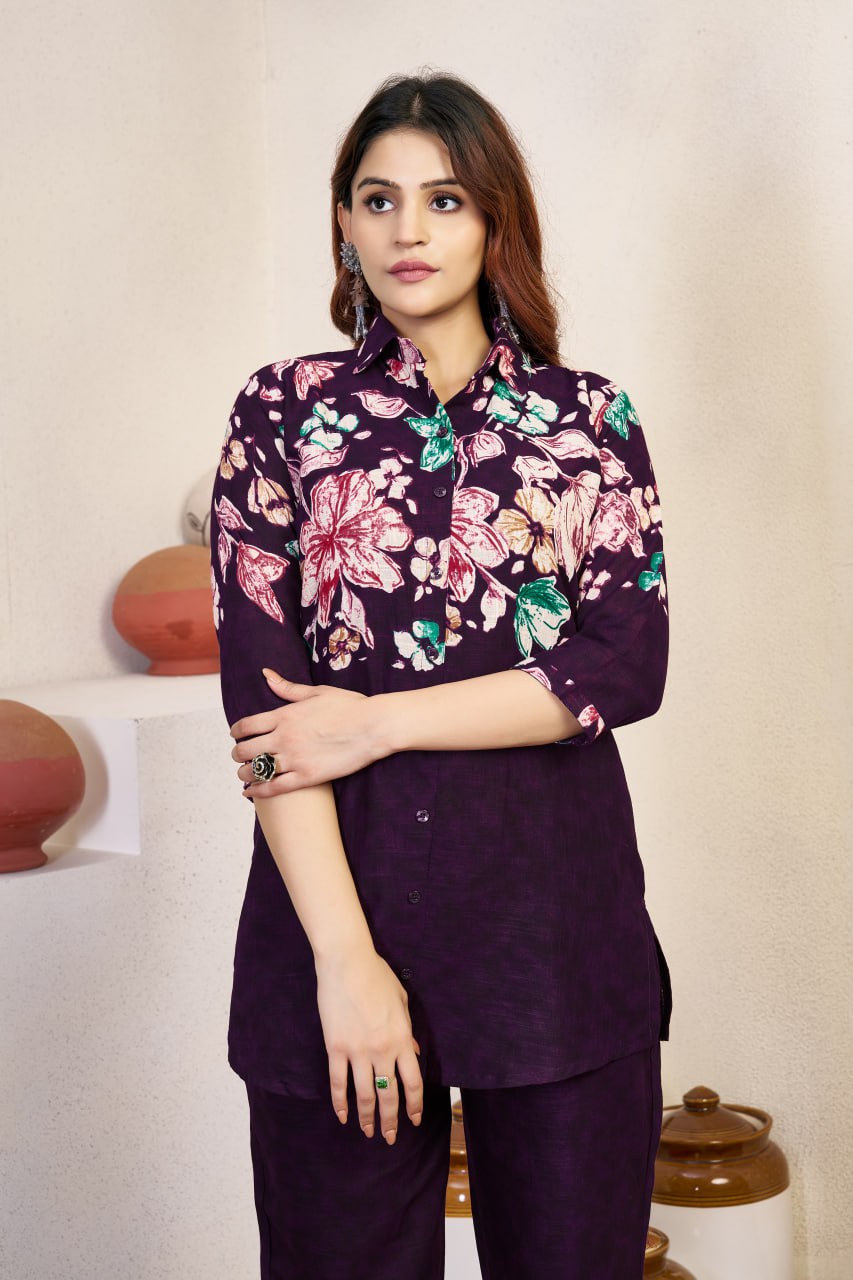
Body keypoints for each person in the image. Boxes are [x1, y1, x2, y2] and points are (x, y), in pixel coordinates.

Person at [209, 69, 672, 1280]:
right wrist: (345, 962)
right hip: (333, 924)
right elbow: (263, 717)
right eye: (379, 199)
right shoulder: (281, 413)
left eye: (445, 198)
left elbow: (623, 663)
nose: (408, 229)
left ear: (494, 218)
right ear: (345, 223)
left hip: (554, 936)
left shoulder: (588, 420)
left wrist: (375, 722)